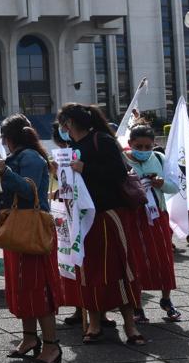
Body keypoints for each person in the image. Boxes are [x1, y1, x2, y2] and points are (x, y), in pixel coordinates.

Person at [57, 103, 145, 346]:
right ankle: (94, 324)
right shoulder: (73, 147)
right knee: (88, 269)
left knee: (119, 268)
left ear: (71, 123)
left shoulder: (102, 140)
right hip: (84, 218)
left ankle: (130, 325)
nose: (62, 129)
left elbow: (118, 173)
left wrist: (86, 168)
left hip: (108, 214)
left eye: (64, 123)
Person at [0, 115, 63, 363]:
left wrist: (6, 172)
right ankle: (30, 339)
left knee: (38, 287)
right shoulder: (20, 157)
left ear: (9, 139)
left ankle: (52, 344)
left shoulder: (30, 158)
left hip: (30, 229)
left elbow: (27, 189)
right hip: (20, 229)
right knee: (23, 286)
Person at [123, 125, 182, 322]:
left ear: (154, 145)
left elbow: (175, 186)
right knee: (136, 261)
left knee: (164, 258)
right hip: (133, 216)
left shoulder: (159, 159)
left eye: (148, 146)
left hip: (158, 216)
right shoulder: (122, 160)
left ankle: (167, 299)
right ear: (130, 144)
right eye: (138, 146)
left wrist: (161, 183)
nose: (143, 150)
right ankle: (137, 306)